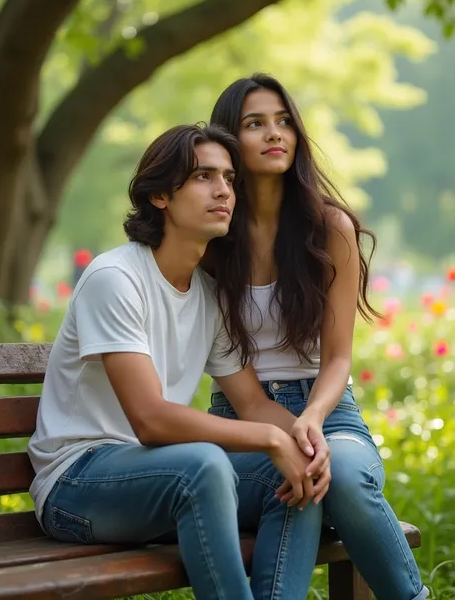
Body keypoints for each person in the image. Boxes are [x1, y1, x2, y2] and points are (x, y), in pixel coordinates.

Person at [28, 122, 331, 600]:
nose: (223, 191)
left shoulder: (207, 295)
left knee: (296, 475)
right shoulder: (116, 279)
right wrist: (270, 437)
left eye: (230, 179)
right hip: (77, 485)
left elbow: (251, 403)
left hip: (159, 475)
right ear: (160, 196)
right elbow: (150, 419)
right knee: (206, 465)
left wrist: (305, 442)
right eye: (203, 176)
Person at [207, 74, 429, 600]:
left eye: (284, 121)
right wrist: (298, 440)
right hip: (241, 422)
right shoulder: (214, 238)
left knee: (346, 478)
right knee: (299, 484)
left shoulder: (330, 228)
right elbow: (246, 397)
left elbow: (337, 357)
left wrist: (310, 423)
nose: (274, 133)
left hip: (329, 410)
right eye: (255, 123)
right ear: (228, 141)